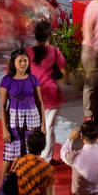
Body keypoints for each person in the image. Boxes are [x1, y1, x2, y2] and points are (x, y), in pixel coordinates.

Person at [0, 48, 44, 193]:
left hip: (32, 120)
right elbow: (2, 106)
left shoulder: (33, 79)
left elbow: (40, 102)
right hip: (14, 122)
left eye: (25, 61)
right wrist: (4, 129)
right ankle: (2, 189)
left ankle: (28, 187)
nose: (23, 64)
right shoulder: (6, 81)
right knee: (10, 156)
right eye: (20, 61)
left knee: (31, 155)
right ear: (13, 63)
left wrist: (43, 125)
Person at [31, 20, 66, 162]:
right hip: (51, 95)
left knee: (35, 127)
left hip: (32, 95)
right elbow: (63, 72)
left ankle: (35, 155)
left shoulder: (28, 52)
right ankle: (45, 159)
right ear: (49, 35)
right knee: (49, 128)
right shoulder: (55, 52)